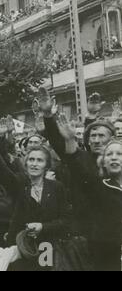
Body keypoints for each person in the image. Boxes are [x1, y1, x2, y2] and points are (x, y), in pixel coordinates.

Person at [0, 113, 71, 270]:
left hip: (47, 246)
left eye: (39, 160)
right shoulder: (20, 183)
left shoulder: (56, 187)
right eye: (31, 159)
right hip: (20, 246)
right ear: (25, 162)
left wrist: (43, 226)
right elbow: (1, 170)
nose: (34, 164)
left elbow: (65, 220)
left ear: (47, 165)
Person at [56, 114, 122, 271]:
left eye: (119, 154)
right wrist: (70, 140)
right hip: (108, 256)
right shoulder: (99, 187)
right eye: (109, 154)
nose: (114, 158)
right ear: (103, 162)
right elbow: (76, 167)